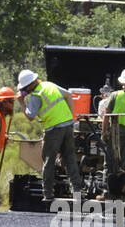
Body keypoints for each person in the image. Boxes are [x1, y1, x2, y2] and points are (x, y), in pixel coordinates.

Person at [17, 68, 84, 205]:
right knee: (70, 158)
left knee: (48, 159)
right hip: (68, 126)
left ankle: (48, 194)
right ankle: (77, 193)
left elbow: (30, 116)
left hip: (54, 129)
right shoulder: (49, 85)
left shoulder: (36, 95)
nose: (25, 90)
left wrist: (21, 102)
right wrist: (71, 118)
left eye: (25, 88)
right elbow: (69, 95)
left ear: (30, 85)